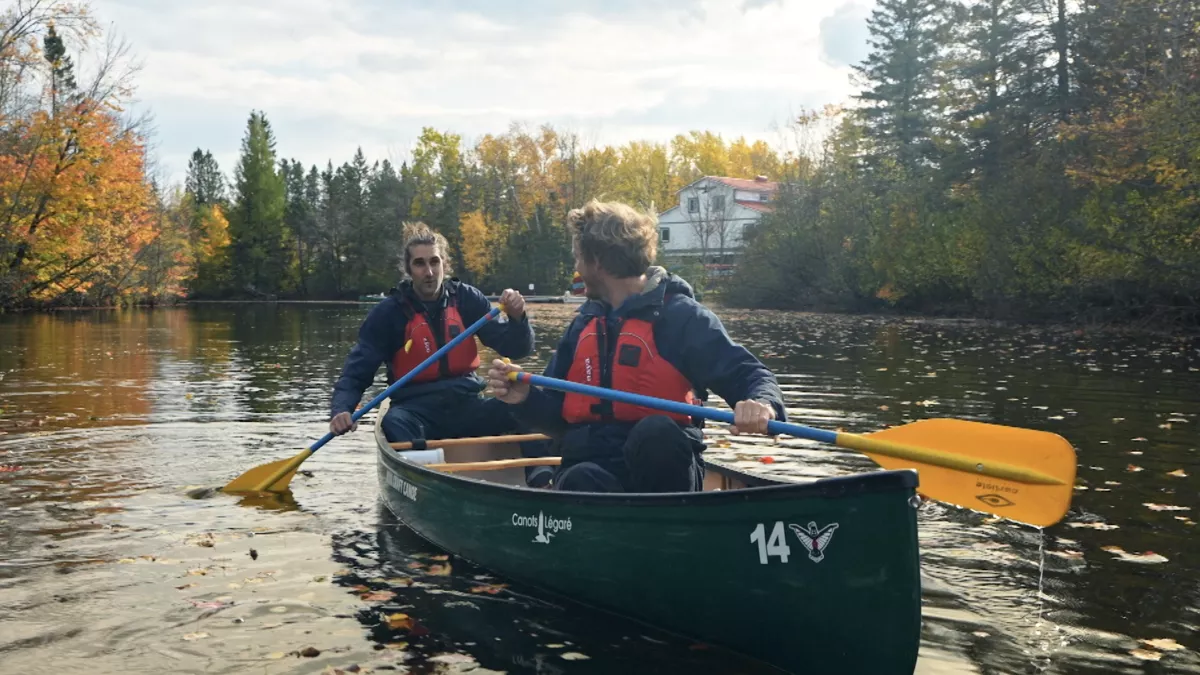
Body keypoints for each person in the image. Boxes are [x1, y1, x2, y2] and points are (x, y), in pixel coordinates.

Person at [486, 199, 786, 493]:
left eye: (578, 258)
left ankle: (669, 528)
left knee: (655, 432)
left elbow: (751, 376)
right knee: (580, 476)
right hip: (594, 472)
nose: (576, 268)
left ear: (598, 262)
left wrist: (763, 406)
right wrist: (524, 398)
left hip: (665, 481)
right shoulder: (583, 325)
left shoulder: (682, 318)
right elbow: (556, 416)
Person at [329, 222, 535, 445]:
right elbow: (356, 372)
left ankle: (540, 476)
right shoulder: (389, 313)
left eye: (434, 262)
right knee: (394, 423)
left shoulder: (467, 300)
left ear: (444, 265)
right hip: (416, 412)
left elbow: (516, 348)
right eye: (419, 264)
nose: (428, 272)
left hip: (467, 405)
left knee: (526, 407)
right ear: (408, 270)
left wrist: (518, 318)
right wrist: (343, 408)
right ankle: (422, 469)